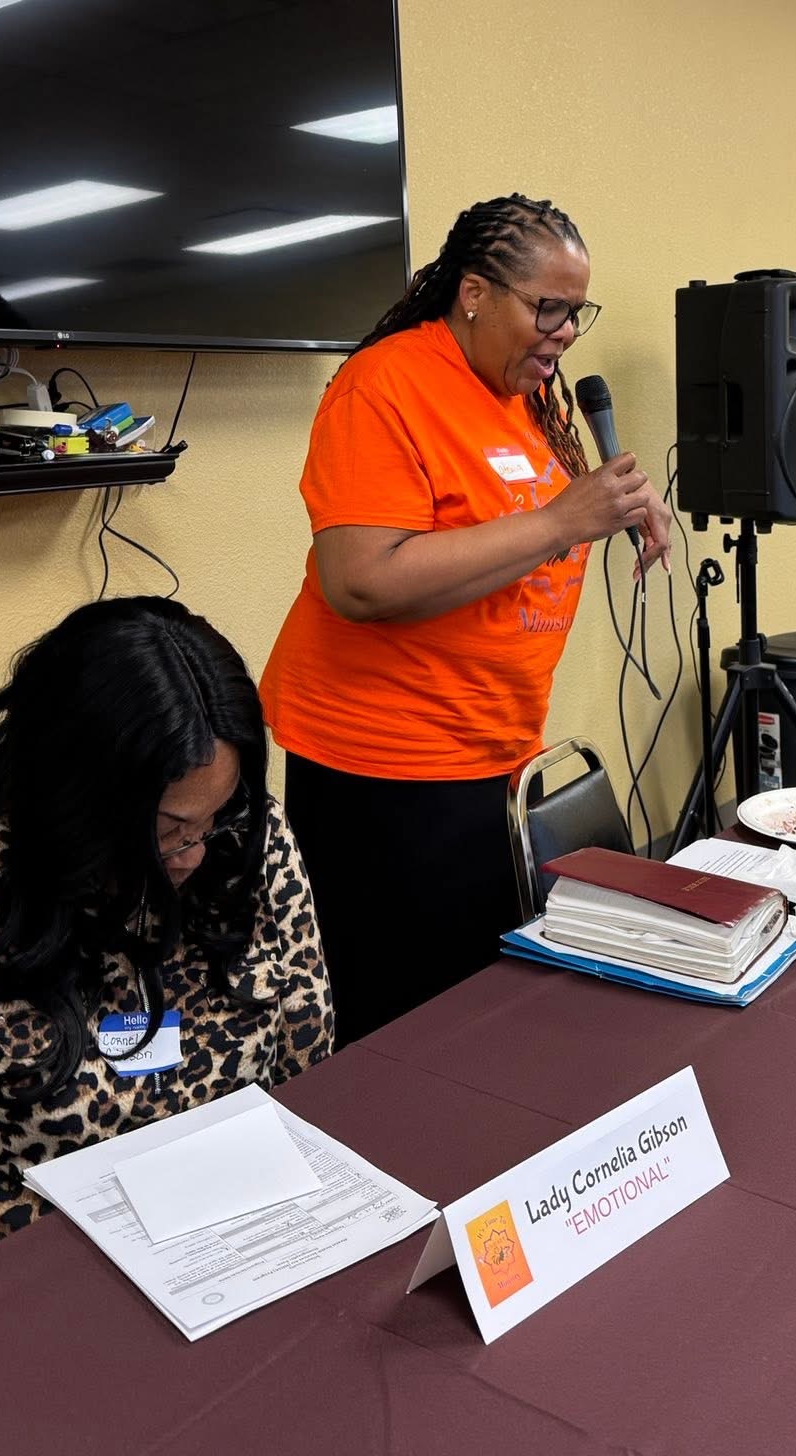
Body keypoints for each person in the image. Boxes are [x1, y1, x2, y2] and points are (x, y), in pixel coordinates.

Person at [260, 192, 670, 1045]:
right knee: (403, 1026)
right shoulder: (384, 387)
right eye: (547, 308)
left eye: (576, 312)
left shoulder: (528, 394)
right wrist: (562, 521)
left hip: (491, 748)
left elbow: (518, 518)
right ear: (475, 293)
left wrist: (612, 505)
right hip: (387, 769)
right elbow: (361, 580)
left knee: (477, 1009)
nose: (564, 332)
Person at [0, 597, 332, 1307]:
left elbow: (307, 1092)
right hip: (44, 1282)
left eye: (211, 819)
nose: (194, 854)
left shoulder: (250, 844)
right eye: (168, 828)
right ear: (80, 802)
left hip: (240, 1249)